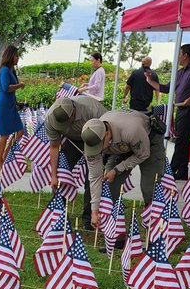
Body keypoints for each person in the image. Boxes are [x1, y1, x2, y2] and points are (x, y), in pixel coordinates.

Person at [81, 110, 166, 230]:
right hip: (120, 146)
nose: (97, 150)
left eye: (99, 147)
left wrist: (116, 170)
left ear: (107, 134)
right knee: (109, 187)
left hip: (148, 142)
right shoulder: (93, 137)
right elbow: (95, 177)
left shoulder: (131, 130)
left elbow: (143, 154)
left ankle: (155, 233)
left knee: (149, 188)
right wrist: (94, 211)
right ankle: (115, 235)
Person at [149, 43, 190, 180]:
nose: (177, 57)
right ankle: (182, 171)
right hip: (181, 109)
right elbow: (167, 88)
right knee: (183, 140)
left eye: (179, 54)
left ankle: (171, 169)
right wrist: (150, 81)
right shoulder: (179, 72)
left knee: (181, 139)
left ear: (185, 55)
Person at [45, 94, 106, 230]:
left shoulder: (93, 109)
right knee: (62, 173)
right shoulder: (50, 117)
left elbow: (107, 134)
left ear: (73, 111)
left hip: (94, 140)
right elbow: (54, 147)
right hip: (72, 141)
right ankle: (57, 215)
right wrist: (54, 176)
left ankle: (89, 217)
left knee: (92, 178)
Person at [0, 45, 24, 172]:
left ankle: (4, 156)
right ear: (10, 56)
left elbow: (11, 92)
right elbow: (6, 88)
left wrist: (17, 102)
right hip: (3, 106)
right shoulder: (5, 70)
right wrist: (20, 85)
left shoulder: (11, 71)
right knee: (4, 134)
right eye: (16, 55)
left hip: (11, 106)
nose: (18, 58)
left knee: (20, 130)